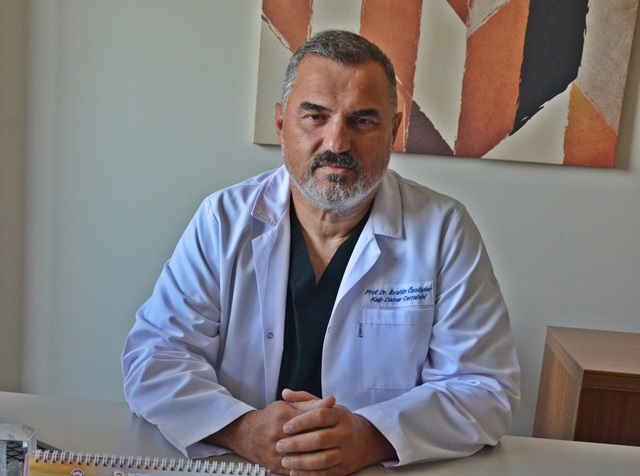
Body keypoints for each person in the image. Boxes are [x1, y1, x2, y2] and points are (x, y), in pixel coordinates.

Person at [122, 29, 520, 475]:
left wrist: (370, 436)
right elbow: (154, 359)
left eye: (362, 121)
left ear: (394, 130)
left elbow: (485, 389)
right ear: (281, 124)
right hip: (238, 466)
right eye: (315, 116)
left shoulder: (444, 231)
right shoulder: (223, 220)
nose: (336, 143)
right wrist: (241, 429)